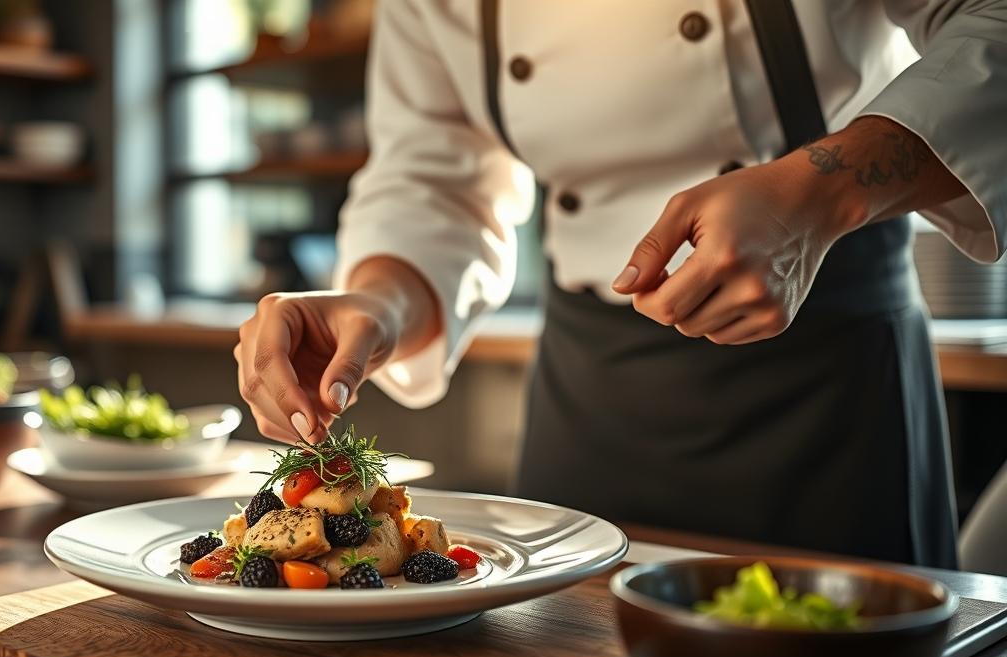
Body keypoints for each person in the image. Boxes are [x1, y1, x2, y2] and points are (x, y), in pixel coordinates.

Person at [234, 2, 1006, 568]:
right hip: (588, 400)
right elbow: (432, 181)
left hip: (828, 393)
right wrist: (378, 303)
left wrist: (816, 194)